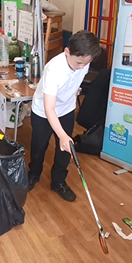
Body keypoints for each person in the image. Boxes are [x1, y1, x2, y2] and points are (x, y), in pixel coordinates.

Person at [27, 31, 102, 201]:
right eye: (79, 62)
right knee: (39, 147)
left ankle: (58, 181)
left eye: (86, 63)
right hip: (43, 112)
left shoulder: (83, 62)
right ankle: (34, 173)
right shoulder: (54, 68)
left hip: (66, 110)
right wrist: (62, 135)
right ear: (67, 51)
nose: (82, 67)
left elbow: (74, 85)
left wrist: (72, 104)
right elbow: (49, 108)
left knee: (65, 150)